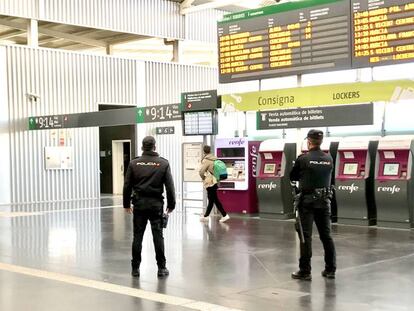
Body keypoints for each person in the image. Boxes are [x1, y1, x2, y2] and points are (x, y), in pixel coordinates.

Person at [123, 136, 175, 278]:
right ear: (154, 147)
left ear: (142, 147)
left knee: (137, 236)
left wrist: (126, 204)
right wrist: (171, 205)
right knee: (158, 236)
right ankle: (161, 268)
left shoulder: (134, 163)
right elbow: (170, 186)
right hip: (156, 205)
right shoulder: (163, 164)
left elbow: (127, 185)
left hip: (139, 205)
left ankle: (135, 269)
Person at [290, 130, 336, 280]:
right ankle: (330, 269)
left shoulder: (303, 159)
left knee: (306, 236)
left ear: (309, 141)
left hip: (307, 203)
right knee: (326, 236)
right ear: (320, 142)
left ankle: (305, 270)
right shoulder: (329, 158)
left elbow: (293, 176)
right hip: (324, 202)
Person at [198, 145, 230, 223]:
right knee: (213, 199)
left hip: (210, 182)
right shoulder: (214, 158)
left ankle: (223, 215)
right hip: (215, 181)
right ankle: (220, 215)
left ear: (204, 151)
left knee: (212, 199)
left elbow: (201, 171)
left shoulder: (206, 160)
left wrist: (203, 178)